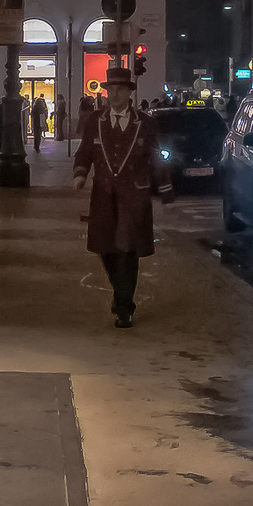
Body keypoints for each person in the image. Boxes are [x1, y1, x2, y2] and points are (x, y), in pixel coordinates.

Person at [72, 67, 173, 328]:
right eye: (110, 90)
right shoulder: (96, 120)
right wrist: (80, 174)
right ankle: (121, 294)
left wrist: (165, 189)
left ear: (129, 92)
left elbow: (156, 157)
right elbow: (85, 151)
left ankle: (124, 308)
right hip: (103, 194)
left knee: (127, 248)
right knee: (106, 249)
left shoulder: (146, 123)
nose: (113, 94)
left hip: (134, 196)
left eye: (119, 89)